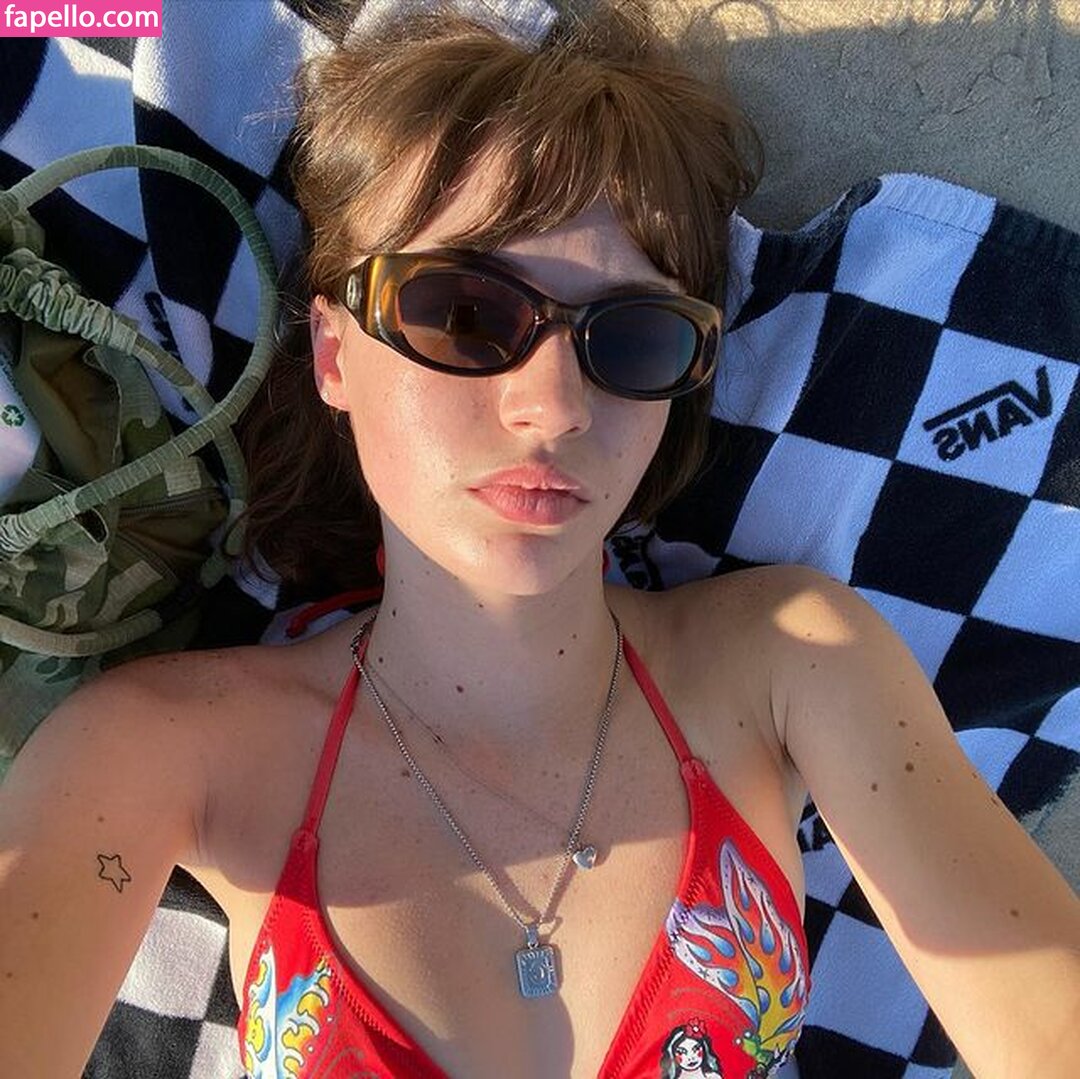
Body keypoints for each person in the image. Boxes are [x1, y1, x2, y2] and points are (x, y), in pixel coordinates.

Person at [2, 3, 1078, 1078]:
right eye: (465, 314)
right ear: (332, 353)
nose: (555, 407)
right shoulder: (158, 749)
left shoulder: (795, 659)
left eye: (634, 335)